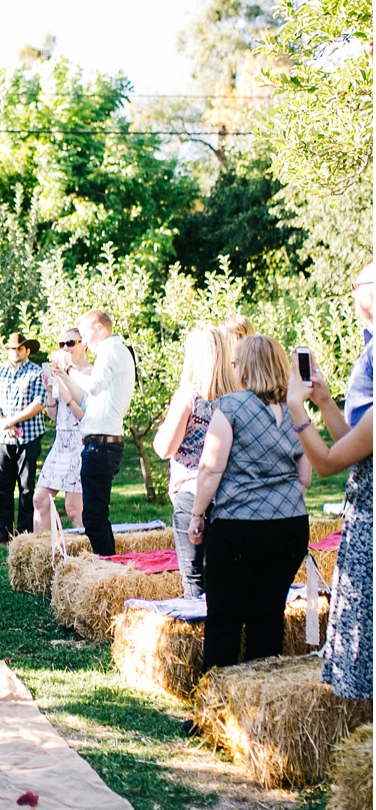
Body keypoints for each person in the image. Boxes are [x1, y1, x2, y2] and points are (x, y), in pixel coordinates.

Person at [189, 334, 313, 669]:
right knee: (268, 615)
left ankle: (214, 707)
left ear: (244, 367)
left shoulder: (229, 407)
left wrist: (197, 514)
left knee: (225, 619)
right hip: (289, 525)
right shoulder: (296, 408)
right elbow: (305, 474)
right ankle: (258, 704)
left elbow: (211, 468)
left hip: (237, 527)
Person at [291, 261, 374, 701]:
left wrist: (296, 409)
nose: (353, 290)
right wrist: (323, 401)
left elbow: (325, 463)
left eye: (360, 283)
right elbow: (354, 448)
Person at [152, 326, 236, 600]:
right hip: (229, 495)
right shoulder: (237, 398)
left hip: (192, 494)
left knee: (195, 583)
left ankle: (201, 641)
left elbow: (165, 448)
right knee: (224, 579)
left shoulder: (188, 397)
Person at [73, 308, 137, 556]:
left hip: (101, 446)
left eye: (85, 334)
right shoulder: (114, 352)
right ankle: (108, 566)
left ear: (100, 328)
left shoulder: (110, 351)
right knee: (95, 515)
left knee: (94, 517)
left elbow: (95, 386)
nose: (83, 341)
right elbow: (88, 400)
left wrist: (70, 370)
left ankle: (108, 569)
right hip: (101, 445)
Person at [0, 332, 49, 544]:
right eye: (13, 349)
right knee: (3, 487)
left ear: (27, 350)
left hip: (28, 438)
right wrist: (2, 422)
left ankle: (24, 530)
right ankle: (3, 529)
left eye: (20, 348)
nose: (16, 352)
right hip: (2, 438)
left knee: (27, 486)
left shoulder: (36, 372)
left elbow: (39, 403)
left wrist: (11, 420)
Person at [36, 327, 91, 536]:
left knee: (74, 509)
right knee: (39, 499)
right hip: (60, 444)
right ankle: (39, 556)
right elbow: (53, 415)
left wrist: (66, 390)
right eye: (62, 344)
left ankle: (87, 558)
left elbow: (85, 414)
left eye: (71, 343)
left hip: (80, 443)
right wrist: (50, 393)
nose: (65, 348)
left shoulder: (91, 374)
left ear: (83, 343)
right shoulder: (61, 373)